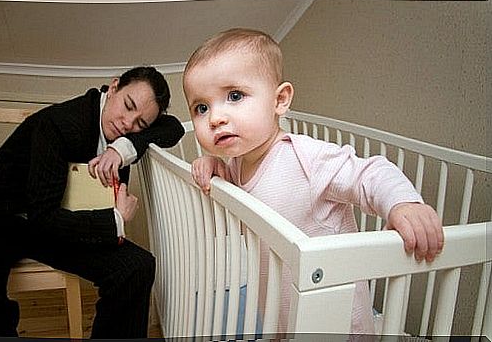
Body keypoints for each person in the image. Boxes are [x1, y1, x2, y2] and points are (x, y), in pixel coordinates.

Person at [184, 28, 444, 334]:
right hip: (281, 312)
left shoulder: (306, 158)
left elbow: (368, 173)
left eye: (235, 96)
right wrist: (216, 167)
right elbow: (242, 195)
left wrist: (402, 202)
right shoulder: (238, 164)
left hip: (337, 320)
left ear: (280, 100)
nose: (215, 117)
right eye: (202, 107)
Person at [0, 66, 185, 338]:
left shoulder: (124, 137)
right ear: (113, 87)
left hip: (50, 221)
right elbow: (43, 218)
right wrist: (115, 219)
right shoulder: (61, 123)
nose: (128, 124)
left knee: (136, 267)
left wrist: (124, 147)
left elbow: (173, 128)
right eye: (128, 106)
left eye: (141, 124)